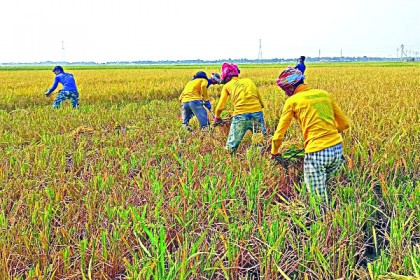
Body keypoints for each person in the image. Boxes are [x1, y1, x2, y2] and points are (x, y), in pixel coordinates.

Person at [271, 67, 350, 200]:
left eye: (285, 90)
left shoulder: (292, 101)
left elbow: (279, 134)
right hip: (337, 149)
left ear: (290, 87)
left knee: (318, 197)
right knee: (327, 185)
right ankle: (334, 212)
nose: (285, 94)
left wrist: (275, 152)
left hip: (317, 153)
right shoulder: (324, 94)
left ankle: (321, 218)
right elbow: (345, 124)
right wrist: (327, 133)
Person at [213, 62, 267, 153]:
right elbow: (262, 103)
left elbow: (220, 107)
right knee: (260, 143)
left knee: (231, 147)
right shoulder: (249, 81)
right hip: (257, 113)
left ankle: (230, 161)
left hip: (240, 116)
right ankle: (258, 160)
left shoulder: (227, 86)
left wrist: (217, 118)